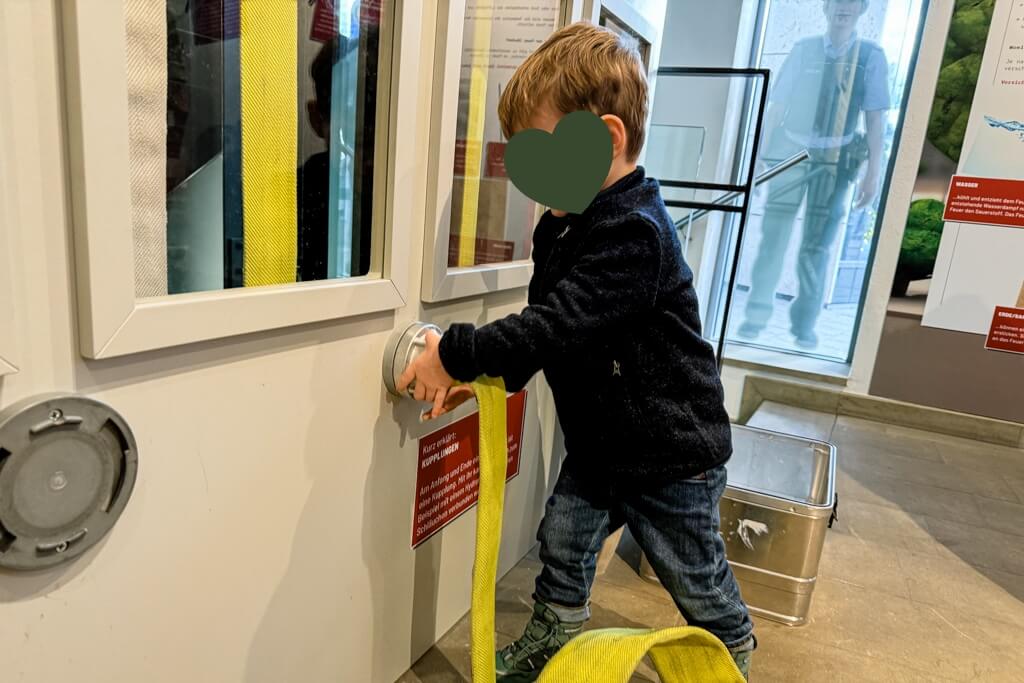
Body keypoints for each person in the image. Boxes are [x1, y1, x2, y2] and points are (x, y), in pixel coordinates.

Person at [397, 22, 756, 682]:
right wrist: (481, 378)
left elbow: (555, 323)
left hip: (671, 456)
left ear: (608, 140)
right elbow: (545, 331)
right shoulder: (562, 228)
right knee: (562, 540)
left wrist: (454, 351)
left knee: (693, 574)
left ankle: (727, 648)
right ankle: (555, 633)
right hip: (599, 444)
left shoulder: (635, 235)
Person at [738, 0, 890, 349]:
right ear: (826, 7)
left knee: (817, 246)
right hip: (790, 153)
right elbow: (776, 107)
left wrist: (873, 173)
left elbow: (875, 119)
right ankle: (755, 316)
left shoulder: (870, 57)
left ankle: (804, 323)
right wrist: (758, 155)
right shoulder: (804, 50)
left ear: (862, 10)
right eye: (838, 2)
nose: (844, 8)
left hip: (836, 161)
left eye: (852, 4)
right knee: (773, 236)